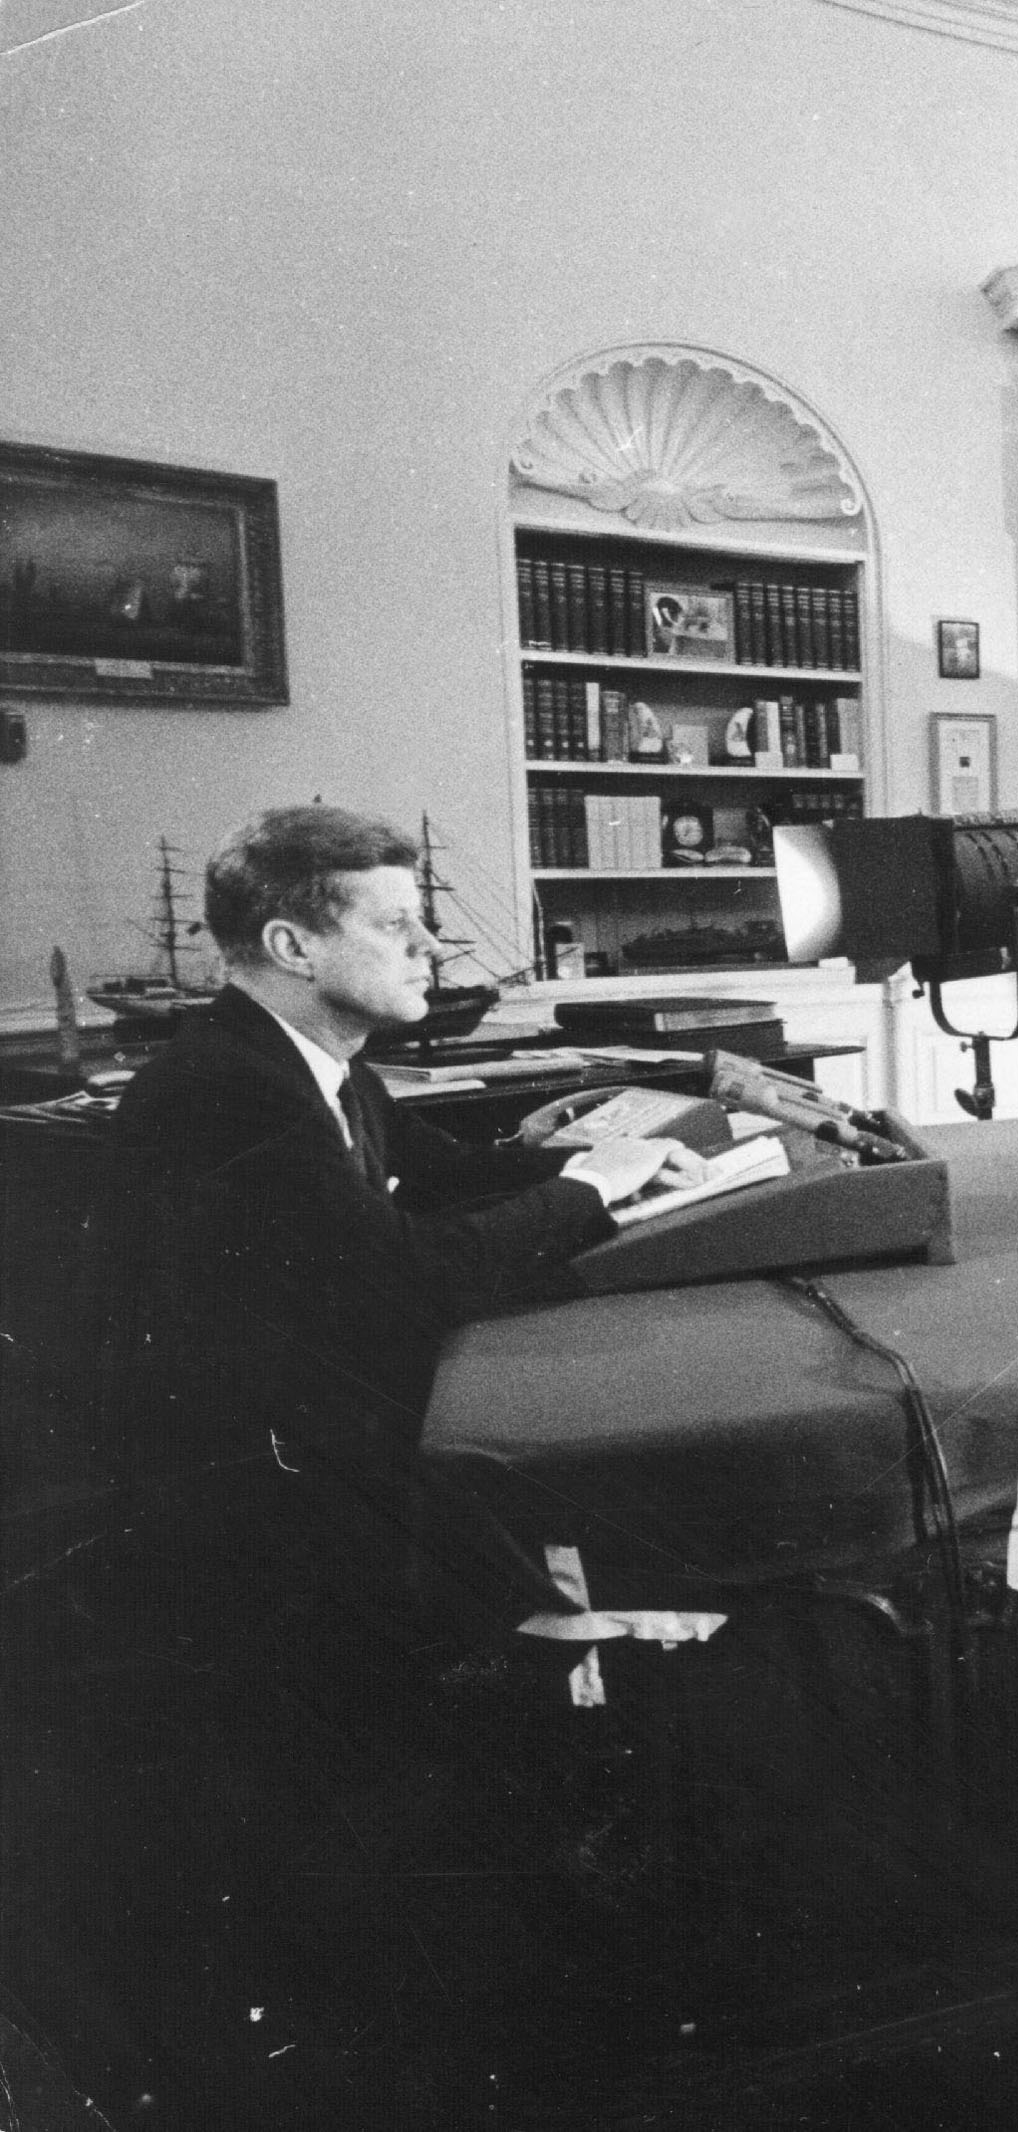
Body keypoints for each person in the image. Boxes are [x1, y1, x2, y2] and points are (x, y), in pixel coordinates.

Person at [73, 805, 705, 2123]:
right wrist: (598, 1191)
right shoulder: (224, 1093)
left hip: (310, 1453)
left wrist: (572, 1148)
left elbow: (451, 1177)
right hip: (249, 1504)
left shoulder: (324, 1066)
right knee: (568, 1608)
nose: (431, 946)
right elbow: (402, 1277)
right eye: (397, 923)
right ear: (295, 941)